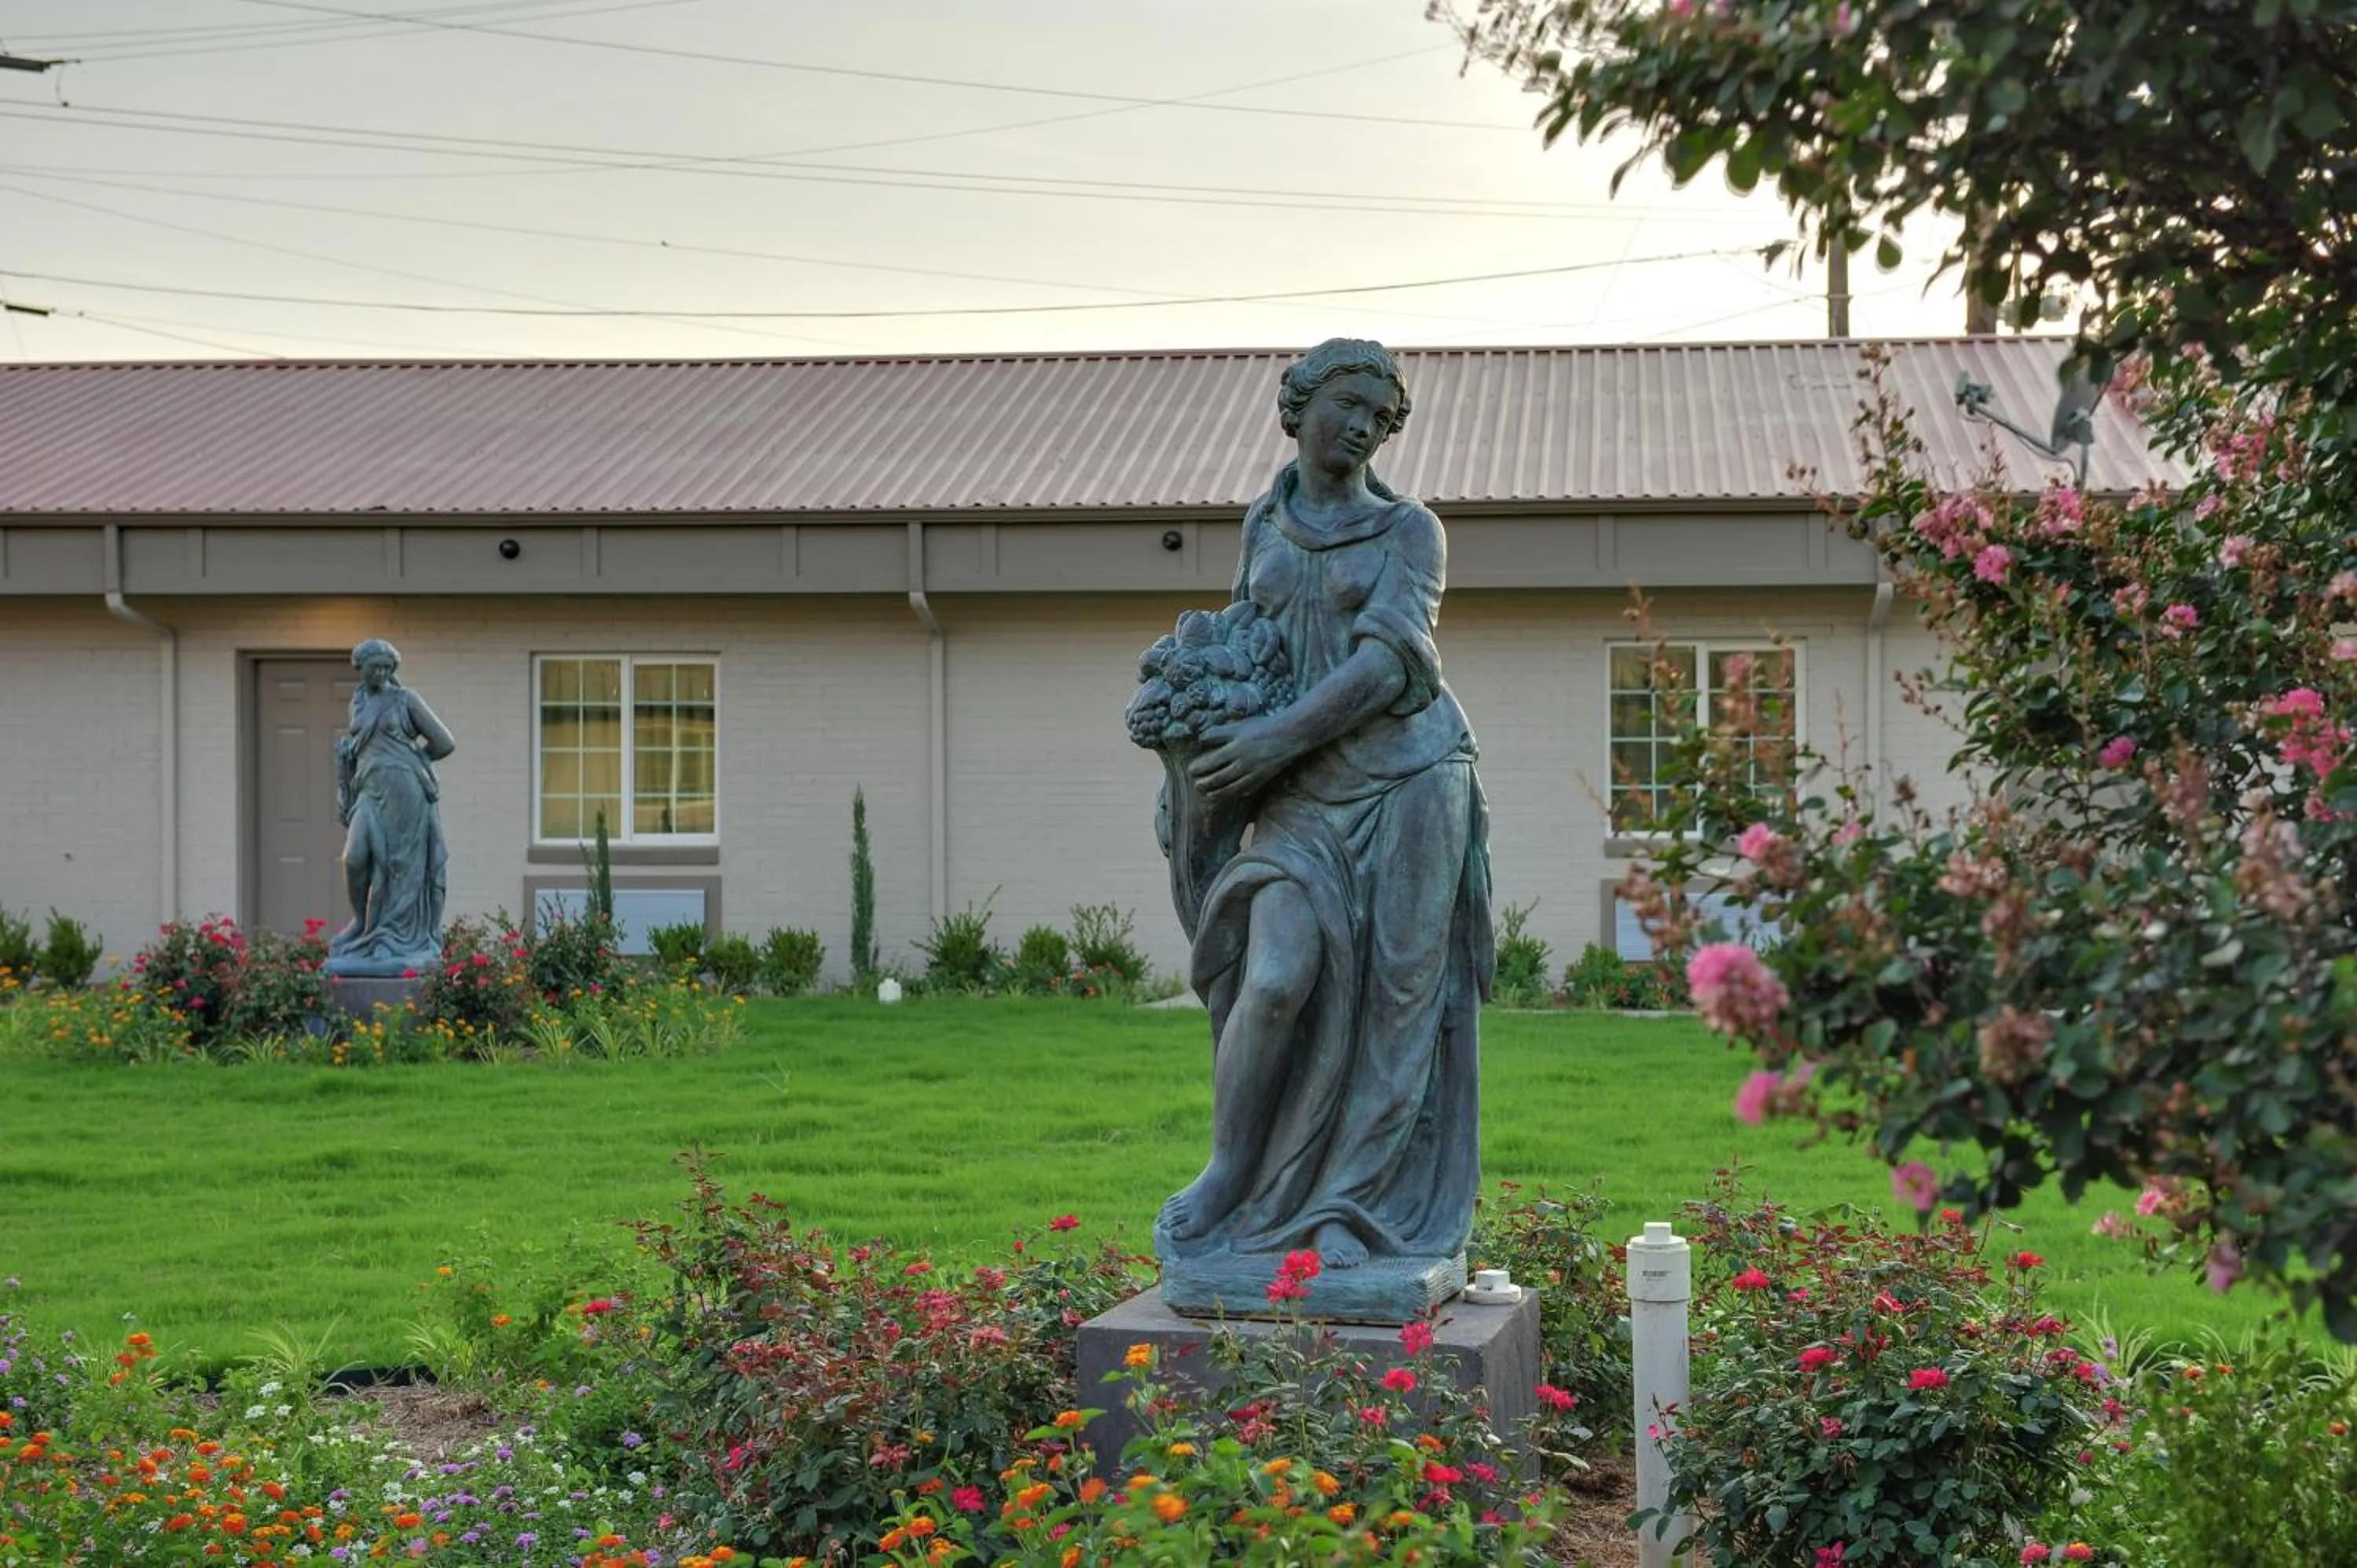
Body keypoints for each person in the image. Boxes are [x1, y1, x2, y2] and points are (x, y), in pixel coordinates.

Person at [1155, 339, 1494, 1272]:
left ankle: (1352, 1204)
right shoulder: (1265, 519)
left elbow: (1389, 666)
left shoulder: (1410, 532)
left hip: (1411, 781)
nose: (1363, 427)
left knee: (1396, 1004)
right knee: (1273, 979)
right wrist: (1186, 744)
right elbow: (1245, 645)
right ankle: (1230, 1173)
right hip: (1302, 795)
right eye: (1348, 404)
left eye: (1381, 418)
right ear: (1298, 405)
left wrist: (1272, 740)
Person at [326, 638, 457, 977]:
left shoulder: (405, 699)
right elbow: (359, 745)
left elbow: (444, 742)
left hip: (405, 791)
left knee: (401, 865)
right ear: (361, 669)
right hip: (368, 790)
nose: (382, 674)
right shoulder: (358, 701)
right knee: (354, 857)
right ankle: (361, 923)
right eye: (375, 668)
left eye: (387, 668)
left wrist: (415, 759)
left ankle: (396, 938)